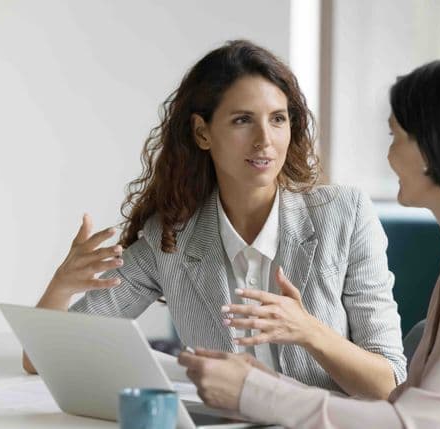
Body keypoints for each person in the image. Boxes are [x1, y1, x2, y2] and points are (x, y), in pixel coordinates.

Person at [178, 56, 440, 428]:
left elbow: (410, 423)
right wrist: (265, 382)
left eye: (395, 136)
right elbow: (403, 404)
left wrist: (255, 393)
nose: (389, 154)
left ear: (433, 150)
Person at [22, 39, 406, 398]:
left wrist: (311, 333)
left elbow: (390, 384)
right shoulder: (170, 238)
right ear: (202, 132)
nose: (264, 140)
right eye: (242, 120)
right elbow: (42, 359)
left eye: (277, 119)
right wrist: (61, 286)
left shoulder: (344, 214)